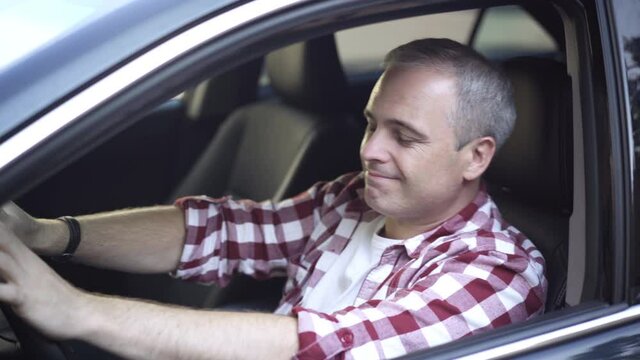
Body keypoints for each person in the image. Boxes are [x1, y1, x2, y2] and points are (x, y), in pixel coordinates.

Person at [0, 38, 546, 360]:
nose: (370, 150)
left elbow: (325, 344)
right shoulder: (351, 200)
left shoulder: (498, 274)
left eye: (403, 137)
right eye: (370, 124)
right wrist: (46, 234)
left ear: (475, 157)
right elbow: (223, 232)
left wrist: (75, 311)